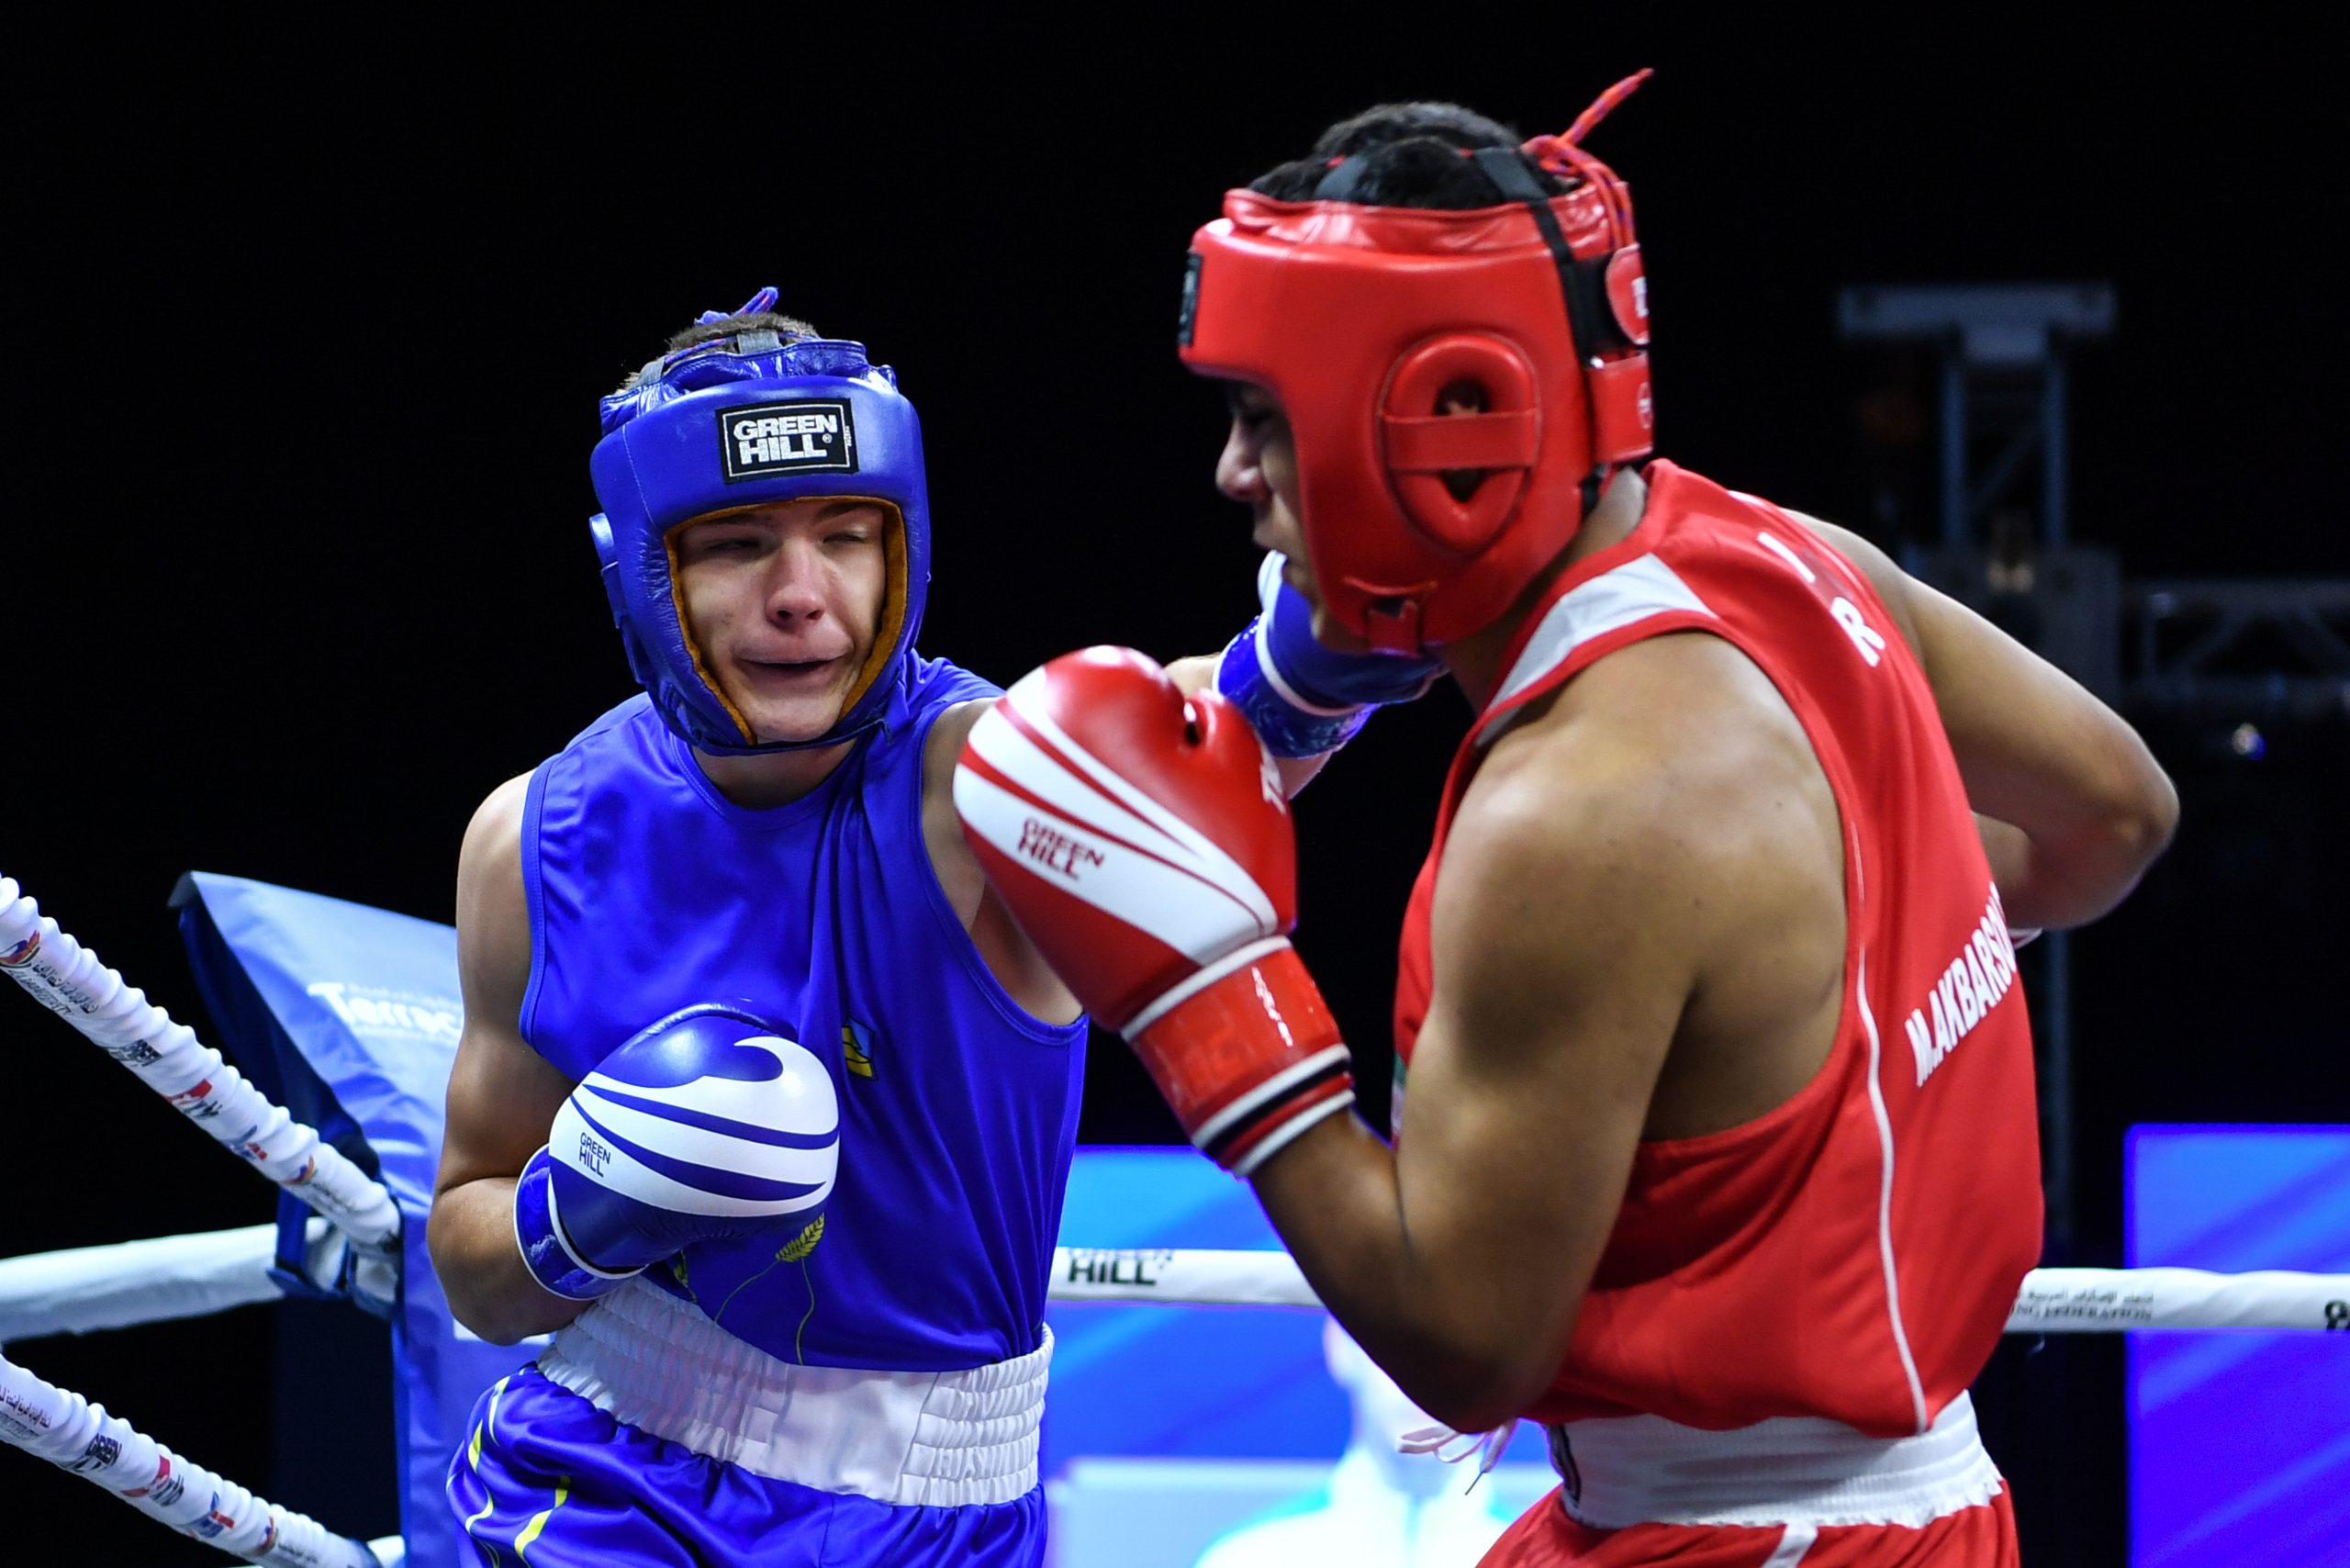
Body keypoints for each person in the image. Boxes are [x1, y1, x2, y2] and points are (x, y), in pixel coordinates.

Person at [955, 81, 2179, 1566]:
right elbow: (2111, 814)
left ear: (1441, 417)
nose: (1234, 477)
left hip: (1741, 1539)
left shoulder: (1580, 811)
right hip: (1895, 1498)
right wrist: (1813, 970)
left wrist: (1209, 998)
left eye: (1263, 420)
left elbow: (1469, 1347)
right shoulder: (1795, 559)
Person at [424, 297, 1098, 1566]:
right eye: (737, 544)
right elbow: (469, 1252)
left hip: (944, 1502)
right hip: (606, 1465)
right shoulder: (533, 841)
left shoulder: (990, 782)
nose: (803, 596)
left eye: (847, 536)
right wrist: (575, 1217)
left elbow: (1197, 759)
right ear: (639, 568)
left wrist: (1326, 656)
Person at [1192, 1318, 1516, 1568]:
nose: (1422, 1381)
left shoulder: (1543, 1560)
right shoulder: (1248, 1559)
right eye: (1392, 1345)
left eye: (1457, 1349)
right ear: (1340, 1344)